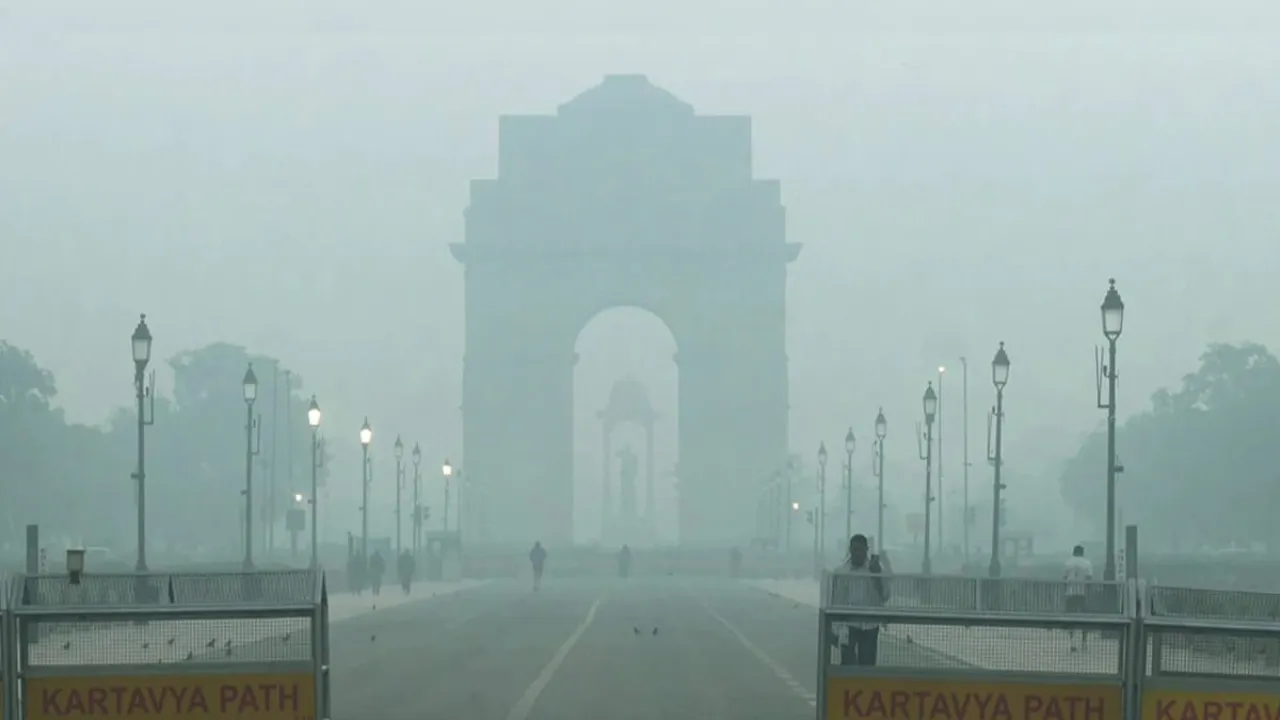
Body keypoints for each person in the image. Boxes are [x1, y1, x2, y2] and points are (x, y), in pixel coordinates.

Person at [834, 534, 889, 667]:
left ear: (866, 550)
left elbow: (886, 595)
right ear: (850, 550)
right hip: (849, 625)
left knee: (867, 665)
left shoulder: (874, 569)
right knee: (848, 663)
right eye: (855, 550)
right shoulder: (843, 571)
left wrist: (877, 576)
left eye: (861, 550)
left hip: (870, 624)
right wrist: (836, 628)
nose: (858, 554)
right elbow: (837, 600)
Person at [1064, 544, 1094, 651]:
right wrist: (1089, 593)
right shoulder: (1087, 563)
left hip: (1070, 593)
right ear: (1082, 552)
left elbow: (1064, 578)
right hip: (1083, 594)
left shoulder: (1068, 563)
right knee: (1085, 619)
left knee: (1070, 618)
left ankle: (1072, 643)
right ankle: (1084, 642)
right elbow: (1089, 578)